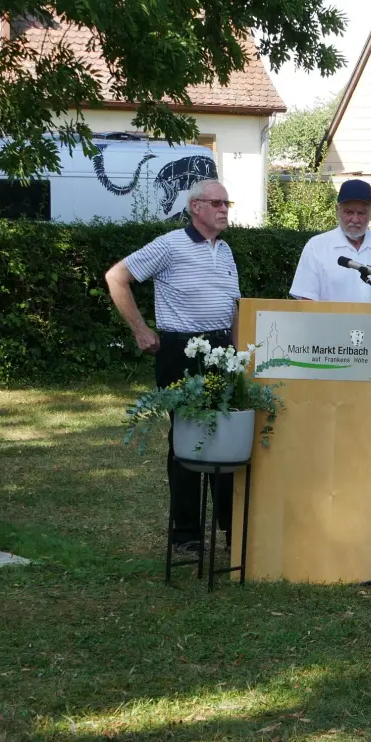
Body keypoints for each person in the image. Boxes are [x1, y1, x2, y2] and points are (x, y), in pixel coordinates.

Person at [104, 180, 240, 555]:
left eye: (227, 202)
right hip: (181, 350)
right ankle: (186, 534)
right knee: (186, 438)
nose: (224, 208)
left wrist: (239, 354)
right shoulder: (170, 244)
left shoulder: (225, 250)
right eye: (216, 203)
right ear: (195, 207)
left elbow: (234, 307)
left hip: (221, 350)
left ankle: (232, 530)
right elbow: (117, 277)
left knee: (226, 438)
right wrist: (140, 330)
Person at [288, 178, 371, 537]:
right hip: (327, 356)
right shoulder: (318, 247)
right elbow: (304, 301)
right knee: (328, 427)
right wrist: (339, 340)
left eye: (362, 212)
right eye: (349, 211)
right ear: (338, 211)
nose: (355, 218)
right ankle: (327, 502)